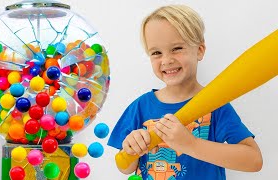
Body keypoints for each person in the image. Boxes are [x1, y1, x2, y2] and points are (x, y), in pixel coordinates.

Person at [107, 4, 263, 180]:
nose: (166, 60)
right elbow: (125, 168)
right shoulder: (141, 106)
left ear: (199, 50)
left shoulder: (216, 105)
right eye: (156, 52)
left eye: (177, 48)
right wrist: (131, 149)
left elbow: (254, 160)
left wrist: (191, 144)